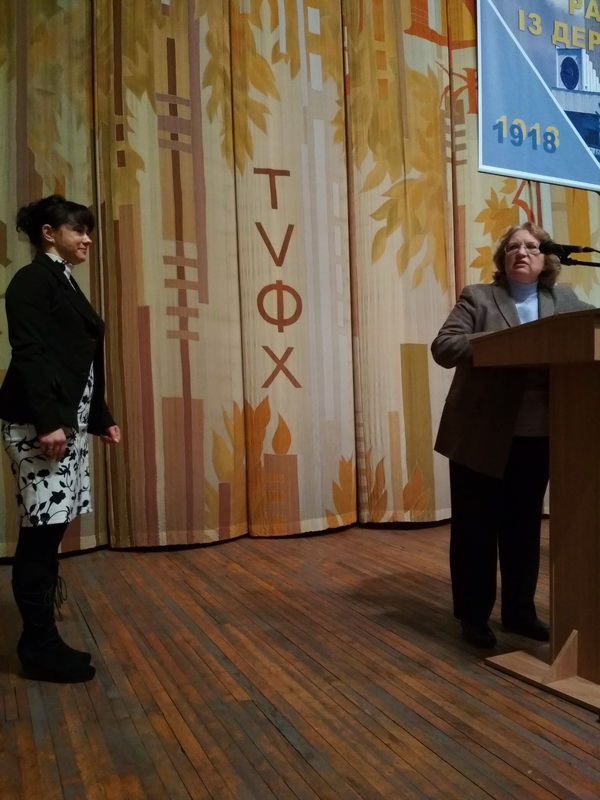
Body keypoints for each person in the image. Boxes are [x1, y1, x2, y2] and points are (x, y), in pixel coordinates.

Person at [431, 222, 593, 648]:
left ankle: (520, 613)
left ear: (548, 258)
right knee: (476, 529)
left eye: (532, 247)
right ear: (503, 259)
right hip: (479, 435)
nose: (522, 252)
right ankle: (473, 616)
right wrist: (509, 342)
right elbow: (444, 347)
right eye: (513, 247)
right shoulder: (478, 297)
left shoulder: (566, 301)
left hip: (539, 435)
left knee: (523, 527)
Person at [0, 195, 120, 682]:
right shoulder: (32, 279)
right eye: (78, 230)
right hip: (40, 425)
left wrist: (99, 416)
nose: (87, 239)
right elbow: (29, 352)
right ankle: (38, 646)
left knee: (49, 532)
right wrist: (48, 421)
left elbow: (78, 356)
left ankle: (42, 638)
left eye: (88, 231)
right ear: (48, 233)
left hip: (63, 422)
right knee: (41, 534)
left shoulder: (62, 279)